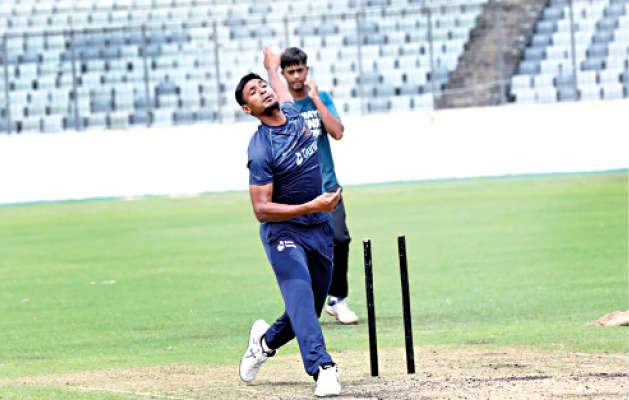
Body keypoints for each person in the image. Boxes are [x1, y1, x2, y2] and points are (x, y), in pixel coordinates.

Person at [235, 44, 342, 397]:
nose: (263, 91)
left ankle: (264, 343)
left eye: (263, 86)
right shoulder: (260, 148)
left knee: (307, 311)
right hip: (283, 233)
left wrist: (271, 66)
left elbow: (278, 84)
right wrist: (312, 204)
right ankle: (323, 367)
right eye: (253, 92)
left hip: (319, 228)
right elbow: (261, 209)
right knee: (300, 300)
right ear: (248, 109)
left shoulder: (294, 113)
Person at [279, 47, 358, 325]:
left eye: (300, 70)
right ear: (283, 74)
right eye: (291, 72)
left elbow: (337, 132)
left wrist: (315, 99)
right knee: (302, 250)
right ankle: (306, 305)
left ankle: (338, 300)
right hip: (298, 192)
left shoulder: (320, 98)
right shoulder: (283, 106)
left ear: (307, 70)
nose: (296, 76)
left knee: (340, 239)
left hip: (328, 186)